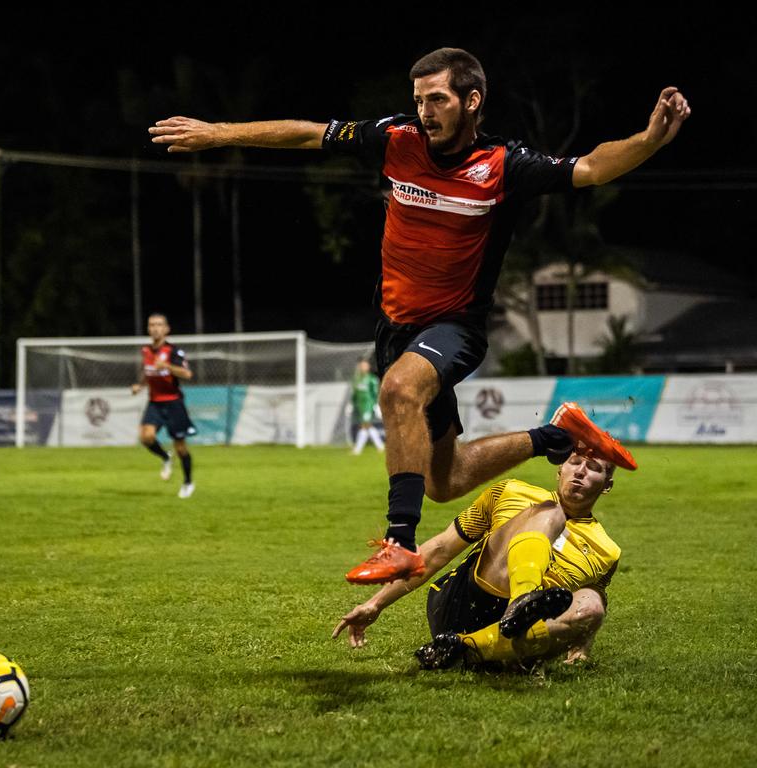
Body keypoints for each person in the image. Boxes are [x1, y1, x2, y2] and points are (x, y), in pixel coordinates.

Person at [150, 48, 685, 580]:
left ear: (471, 100)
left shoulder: (504, 165)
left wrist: (649, 139)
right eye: (418, 100)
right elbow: (308, 133)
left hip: (454, 327)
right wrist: (218, 132)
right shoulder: (395, 139)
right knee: (442, 481)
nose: (425, 111)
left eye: (437, 99)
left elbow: (590, 168)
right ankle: (555, 436)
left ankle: (398, 542)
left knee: (399, 391)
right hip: (394, 328)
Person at [333, 451, 620, 669]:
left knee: (593, 604)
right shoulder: (511, 492)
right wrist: (375, 603)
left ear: (607, 484)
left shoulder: (607, 549)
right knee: (551, 512)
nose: (580, 472)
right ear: (560, 467)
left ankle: (466, 650)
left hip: (506, 638)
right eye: (575, 462)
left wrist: (580, 648)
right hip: (463, 604)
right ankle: (524, 600)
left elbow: (593, 603)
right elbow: (441, 549)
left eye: (594, 468)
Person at [131, 313, 197, 498]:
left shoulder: (174, 352)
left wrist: (168, 366)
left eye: (159, 325)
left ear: (166, 329)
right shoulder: (146, 351)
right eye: (152, 325)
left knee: (181, 447)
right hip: (154, 403)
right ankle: (165, 457)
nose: (155, 328)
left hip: (174, 403)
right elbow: (148, 372)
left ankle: (188, 482)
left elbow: (187, 374)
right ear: (148, 329)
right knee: (146, 437)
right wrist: (140, 385)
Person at [351, 359, 383, 454]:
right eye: (361, 366)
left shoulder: (372, 379)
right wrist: (351, 404)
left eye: (364, 365)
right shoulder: (357, 379)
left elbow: (376, 393)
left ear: (368, 367)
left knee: (365, 426)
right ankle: (380, 446)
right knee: (367, 426)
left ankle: (357, 449)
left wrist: (376, 404)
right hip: (360, 407)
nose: (362, 367)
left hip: (369, 405)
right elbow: (355, 394)